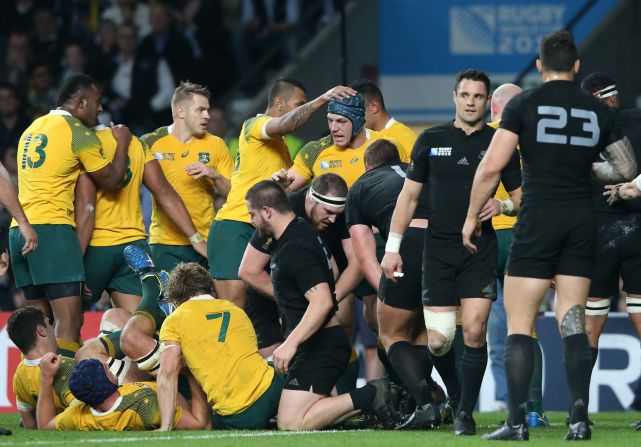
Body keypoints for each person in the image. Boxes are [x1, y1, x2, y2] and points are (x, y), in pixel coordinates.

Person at [464, 31, 636, 441]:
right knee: (573, 321)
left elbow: (490, 169)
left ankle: (517, 423)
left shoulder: (523, 104)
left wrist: (472, 216)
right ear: (576, 66)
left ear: (540, 66)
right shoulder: (597, 111)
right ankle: (578, 418)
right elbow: (626, 169)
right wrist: (585, 167)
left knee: (520, 326)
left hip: (537, 219)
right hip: (581, 222)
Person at [382, 69, 523, 436]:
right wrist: (392, 249)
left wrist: (503, 207)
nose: (471, 101)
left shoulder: (501, 143)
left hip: (479, 248)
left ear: (487, 101)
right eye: (465, 95)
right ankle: (455, 394)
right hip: (438, 251)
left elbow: (524, 200)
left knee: (475, 330)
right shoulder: (431, 139)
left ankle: (464, 413)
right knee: (440, 341)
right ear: (454, 97)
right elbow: (408, 197)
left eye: (478, 96)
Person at [245, 180, 395, 430]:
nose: (251, 221)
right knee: (310, 416)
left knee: (291, 423)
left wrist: (290, 344)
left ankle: (373, 393)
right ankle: (358, 408)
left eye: (252, 214)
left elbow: (323, 301)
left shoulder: (294, 246)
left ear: (267, 211)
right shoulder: (302, 231)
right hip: (321, 340)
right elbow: (334, 270)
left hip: (319, 344)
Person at [9, 73, 132, 357]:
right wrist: (122, 141)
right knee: (69, 321)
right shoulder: (77, 131)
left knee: (39, 323)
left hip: (20, 231)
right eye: (97, 102)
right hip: (51, 230)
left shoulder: (33, 128)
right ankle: (65, 394)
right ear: (80, 102)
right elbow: (113, 181)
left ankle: (39, 394)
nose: (100, 109)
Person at [210, 78, 356, 308]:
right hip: (236, 225)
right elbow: (287, 124)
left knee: (266, 312)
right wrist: (323, 99)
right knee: (235, 310)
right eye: (299, 103)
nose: (303, 108)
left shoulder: (282, 146)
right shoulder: (254, 125)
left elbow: (286, 191)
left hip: (266, 230)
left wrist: (284, 183)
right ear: (279, 103)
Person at [347, 139, 440, 429]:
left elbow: (364, 257)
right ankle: (430, 402)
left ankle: (424, 403)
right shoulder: (418, 170)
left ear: (367, 165)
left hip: (410, 244)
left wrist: (389, 294)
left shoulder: (361, 186)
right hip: (446, 244)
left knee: (391, 333)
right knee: (424, 333)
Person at [238, 173, 360, 367]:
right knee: (274, 363)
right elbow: (248, 271)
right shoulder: (285, 212)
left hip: (321, 283)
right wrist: (291, 298)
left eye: (339, 213)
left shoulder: (341, 214)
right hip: (276, 285)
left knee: (338, 320)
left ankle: (350, 386)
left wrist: (325, 301)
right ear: (311, 199)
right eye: (328, 211)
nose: (334, 220)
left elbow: (356, 264)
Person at [581, 72, 641, 431]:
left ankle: (578, 411)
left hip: (596, 233)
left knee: (591, 322)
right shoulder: (635, 119)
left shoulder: (581, 129)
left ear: (598, 98)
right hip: (636, 230)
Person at [156, 260, 282, 430]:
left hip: (241, 416)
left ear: (176, 298)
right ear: (210, 287)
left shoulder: (174, 320)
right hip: (273, 390)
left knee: (208, 419)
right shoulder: (235, 309)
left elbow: (167, 373)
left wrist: (166, 426)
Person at [486, 83, 548, 427]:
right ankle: (533, 409)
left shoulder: (483, 136)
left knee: (474, 324)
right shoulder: (535, 139)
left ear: (494, 107)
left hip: (484, 237)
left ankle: (465, 408)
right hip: (525, 237)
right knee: (524, 328)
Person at [141, 82, 232, 273]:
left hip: (206, 242)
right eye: (200, 110)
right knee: (172, 302)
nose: (207, 115)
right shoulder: (152, 143)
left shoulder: (216, 144)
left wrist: (214, 174)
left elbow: (233, 193)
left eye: (207, 110)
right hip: (165, 243)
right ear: (181, 112)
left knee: (208, 302)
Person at [36, 356, 209, 431]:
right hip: (195, 401)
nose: (111, 369)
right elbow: (199, 423)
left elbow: (44, 424)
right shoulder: (146, 406)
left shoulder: (80, 415)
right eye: (106, 369)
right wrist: (190, 373)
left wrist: (46, 378)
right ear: (104, 383)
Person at [277, 93, 391, 191]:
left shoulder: (387, 146)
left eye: (341, 121)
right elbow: (287, 186)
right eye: (330, 120)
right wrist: (280, 184)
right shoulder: (314, 151)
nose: (333, 128)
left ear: (358, 121)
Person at [7, 307, 75, 429]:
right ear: (41, 330)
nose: (52, 328)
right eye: (49, 324)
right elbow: (81, 413)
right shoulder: (65, 366)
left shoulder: (19, 373)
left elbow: (30, 424)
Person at [350, 79, 416, 162]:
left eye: (354, 111)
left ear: (374, 107)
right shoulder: (359, 138)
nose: (350, 118)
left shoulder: (405, 139)